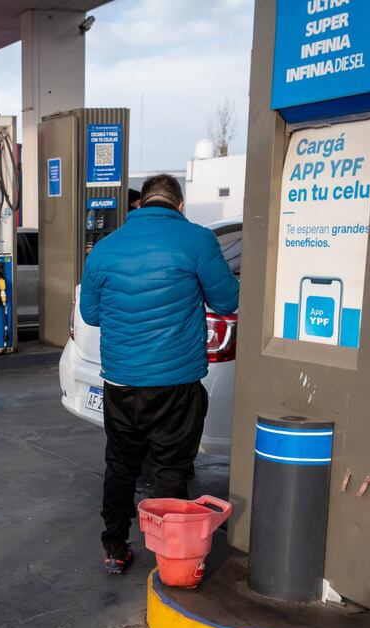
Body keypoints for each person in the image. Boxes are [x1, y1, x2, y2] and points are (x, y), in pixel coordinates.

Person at [79, 174, 239, 574]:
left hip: (121, 382)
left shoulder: (105, 247)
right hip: (176, 384)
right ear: (179, 205)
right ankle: (170, 557)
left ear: (140, 204)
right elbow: (227, 299)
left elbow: (91, 314)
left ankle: (115, 547)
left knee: (120, 464)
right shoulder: (198, 240)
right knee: (171, 470)